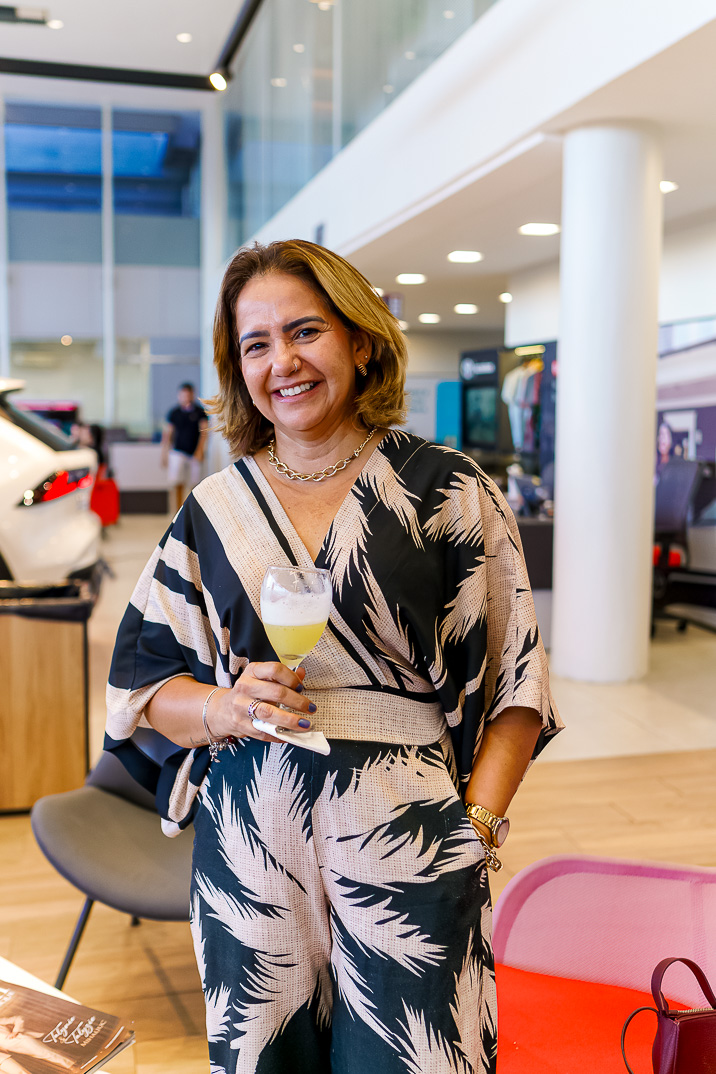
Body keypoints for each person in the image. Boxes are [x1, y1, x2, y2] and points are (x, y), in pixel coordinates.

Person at [105, 239, 563, 1074]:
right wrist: (222, 707)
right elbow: (144, 685)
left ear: (359, 340)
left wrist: (478, 831)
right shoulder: (213, 508)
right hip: (252, 843)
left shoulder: (447, 490)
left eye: (305, 331)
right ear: (238, 368)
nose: (282, 361)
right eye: (255, 344)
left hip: (408, 836)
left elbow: (517, 680)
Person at [160, 382, 208, 513]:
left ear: (192, 395)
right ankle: (177, 512)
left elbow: (204, 433)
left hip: (194, 453)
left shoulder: (200, 412)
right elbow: (168, 434)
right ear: (179, 395)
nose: (185, 397)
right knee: (177, 482)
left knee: (195, 483)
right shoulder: (174, 413)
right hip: (178, 452)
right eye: (183, 395)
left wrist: (200, 451)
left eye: (188, 394)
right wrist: (164, 453)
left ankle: (193, 512)